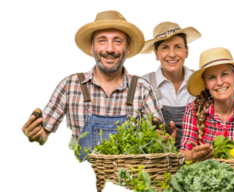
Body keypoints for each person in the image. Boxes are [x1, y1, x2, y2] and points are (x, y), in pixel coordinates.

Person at [20, 9, 177, 163]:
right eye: (102, 40)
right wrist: (35, 135)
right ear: (92, 46)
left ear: (126, 48)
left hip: (127, 182)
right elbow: (42, 135)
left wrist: (164, 140)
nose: (109, 49)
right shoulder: (69, 85)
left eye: (117, 41)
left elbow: (158, 140)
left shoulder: (142, 88)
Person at [139, 21, 204, 149]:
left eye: (178, 47)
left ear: (186, 51)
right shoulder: (144, 84)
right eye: (165, 48)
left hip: (198, 155)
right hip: (160, 158)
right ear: (156, 53)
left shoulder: (200, 80)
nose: (172, 54)